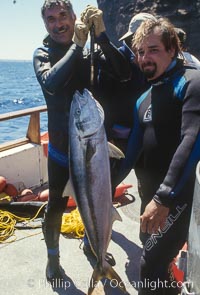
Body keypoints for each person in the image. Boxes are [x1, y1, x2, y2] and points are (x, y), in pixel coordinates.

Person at [33, 0, 130, 284]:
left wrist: (101, 36)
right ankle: (53, 260)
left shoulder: (90, 52)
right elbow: (51, 83)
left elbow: (124, 73)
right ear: (45, 24)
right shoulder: (43, 54)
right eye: (51, 19)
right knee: (55, 206)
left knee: (100, 201)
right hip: (63, 153)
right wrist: (77, 44)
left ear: (74, 17)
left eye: (63, 15)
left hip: (95, 149)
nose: (58, 23)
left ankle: (93, 245)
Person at [116, 17, 200, 294]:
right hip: (148, 199)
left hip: (172, 201)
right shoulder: (144, 99)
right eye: (140, 52)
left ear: (172, 50)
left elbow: (192, 140)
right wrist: (107, 183)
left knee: (148, 269)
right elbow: (131, 153)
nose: (145, 58)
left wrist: (164, 197)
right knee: (154, 260)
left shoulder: (191, 84)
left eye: (153, 49)